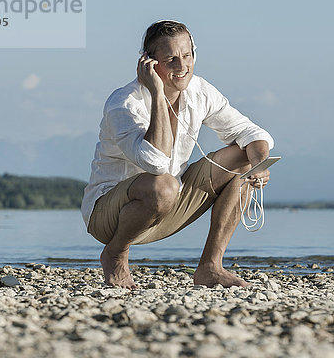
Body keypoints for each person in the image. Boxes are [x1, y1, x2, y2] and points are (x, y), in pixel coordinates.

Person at [81, 20, 274, 289]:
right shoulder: (124, 103)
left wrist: (259, 163)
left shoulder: (199, 90)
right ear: (148, 62)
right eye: (171, 58)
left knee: (242, 159)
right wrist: (158, 95)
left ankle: (210, 267)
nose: (182, 66)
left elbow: (251, 132)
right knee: (164, 184)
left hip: (169, 204)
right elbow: (155, 162)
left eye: (187, 55)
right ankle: (115, 254)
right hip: (109, 218)